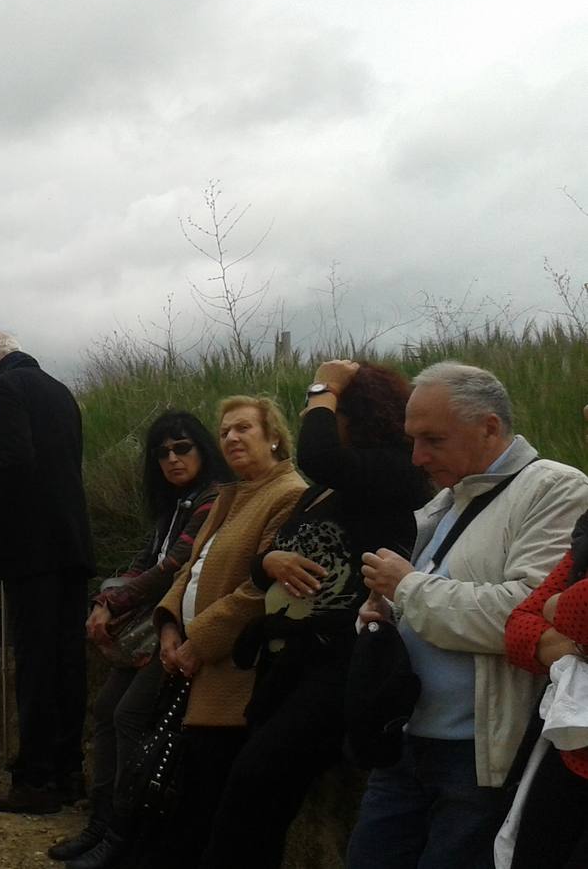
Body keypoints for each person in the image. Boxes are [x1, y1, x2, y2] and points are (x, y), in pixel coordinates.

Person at [348, 362, 588, 869]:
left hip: (475, 759)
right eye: (412, 439)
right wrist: (383, 613)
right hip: (407, 740)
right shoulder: (449, 499)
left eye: (432, 439)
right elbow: (432, 599)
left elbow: (522, 615)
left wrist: (408, 587)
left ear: (490, 427)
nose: (417, 457)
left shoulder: (556, 489)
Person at [199, 362, 431, 868]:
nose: (317, 417)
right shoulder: (322, 490)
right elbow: (267, 564)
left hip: (339, 663)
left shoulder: (393, 470)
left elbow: (319, 454)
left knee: (254, 780)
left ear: (358, 414)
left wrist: (324, 383)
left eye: (328, 411)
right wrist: (270, 561)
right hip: (288, 660)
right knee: (255, 791)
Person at [94, 395, 308, 869]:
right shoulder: (231, 494)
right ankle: (114, 831)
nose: (231, 437)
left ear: (274, 435)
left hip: (231, 672)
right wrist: (169, 624)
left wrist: (197, 641)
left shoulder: (288, 493)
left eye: (244, 428)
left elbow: (259, 591)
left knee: (212, 806)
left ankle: (121, 838)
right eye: (226, 429)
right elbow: (189, 569)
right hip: (188, 659)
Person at [49, 410, 230, 864]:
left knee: (129, 714)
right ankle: (102, 823)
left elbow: (174, 566)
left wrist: (114, 602)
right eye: (162, 452)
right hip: (155, 627)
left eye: (182, 448)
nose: (172, 459)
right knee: (109, 709)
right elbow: (144, 558)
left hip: (184, 630)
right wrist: (106, 599)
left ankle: (126, 834)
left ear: (203, 449)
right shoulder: (179, 503)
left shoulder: (213, 498)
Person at [0, 331, 93, 813]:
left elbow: (14, 460)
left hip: (31, 549)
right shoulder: (61, 391)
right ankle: (68, 771)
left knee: (36, 664)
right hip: (72, 543)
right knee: (67, 662)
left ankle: (35, 780)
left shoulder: (6, 387)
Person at [503, 502, 588, 867]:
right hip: (568, 750)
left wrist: (558, 607)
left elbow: (578, 606)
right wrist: (580, 641)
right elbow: (518, 631)